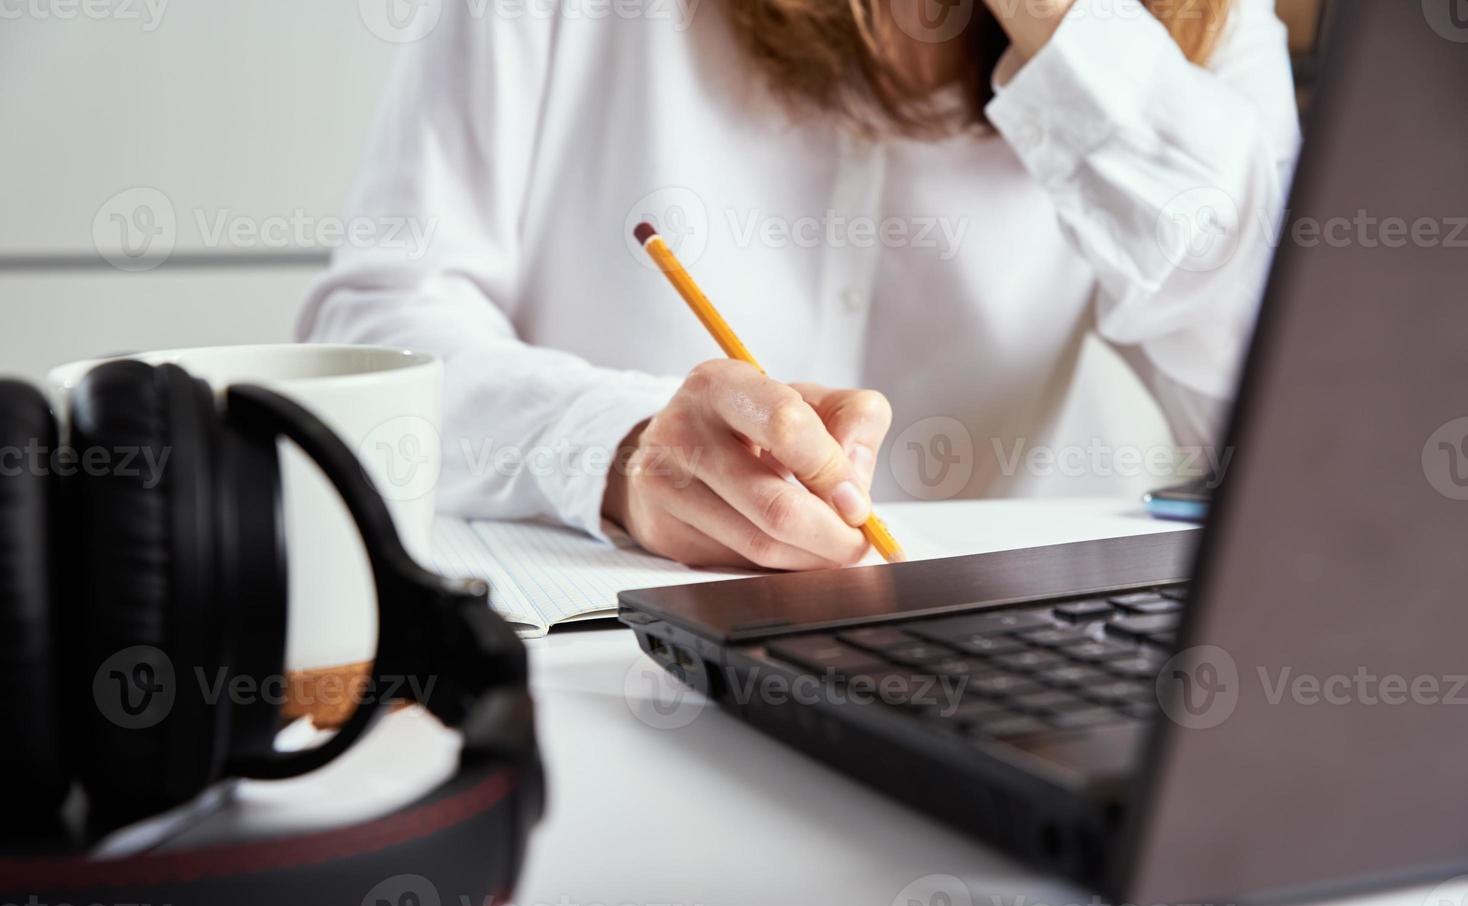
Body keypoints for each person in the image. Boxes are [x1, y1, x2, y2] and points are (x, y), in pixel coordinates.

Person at [298, 0, 1299, 570]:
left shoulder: (1211, 28)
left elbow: (1304, 443)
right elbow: (380, 331)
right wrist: (618, 450)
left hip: (978, 673)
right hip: (596, 658)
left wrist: (1071, 27)